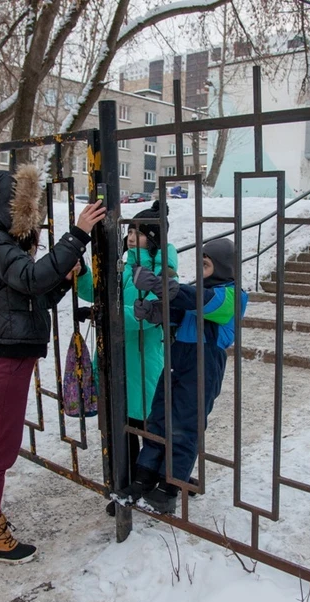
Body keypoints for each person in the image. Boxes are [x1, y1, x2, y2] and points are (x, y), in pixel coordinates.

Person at [0, 165, 106, 564]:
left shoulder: (0, 243)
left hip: (10, 350)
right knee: (2, 447)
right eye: (23, 205)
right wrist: (77, 235)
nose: (29, 213)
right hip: (6, 356)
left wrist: (63, 280)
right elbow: (31, 278)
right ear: (6, 206)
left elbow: (32, 294)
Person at [124, 238, 248, 514]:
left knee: (185, 425)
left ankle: (170, 487)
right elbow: (178, 313)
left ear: (224, 266)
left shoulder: (232, 295)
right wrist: (155, 312)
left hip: (204, 366)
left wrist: (159, 285)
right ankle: (145, 477)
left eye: (207, 263)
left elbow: (196, 301)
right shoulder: (199, 291)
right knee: (158, 419)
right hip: (177, 360)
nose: (202, 267)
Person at [76, 200, 179, 515]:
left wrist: (106, 316)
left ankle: (165, 480)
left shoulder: (161, 268)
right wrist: (83, 274)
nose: (133, 236)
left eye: (141, 232)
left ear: (155, 237)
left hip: (142, 362)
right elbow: (101, 293)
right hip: (118, 361)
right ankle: (128, 483)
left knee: (151, 426)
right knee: (123, 427)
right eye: (131, 230)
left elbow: (145, 314)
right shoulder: (123, 263)